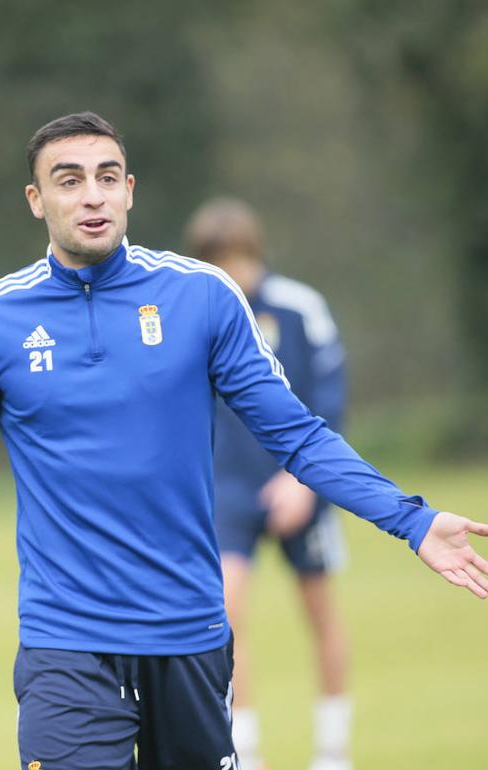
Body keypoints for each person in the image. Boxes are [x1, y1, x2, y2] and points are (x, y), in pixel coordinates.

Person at [0, 112, 488, 770]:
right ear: (37, 200)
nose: (91, 195)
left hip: (187, 635)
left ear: (129, 192)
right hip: (66, 641)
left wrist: (411, 520)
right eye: (69, 179)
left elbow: (300, 438)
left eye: (107, 177)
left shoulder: (203, 297)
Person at [187, 198, 354, 770]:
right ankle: (246, 751)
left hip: (300, 485)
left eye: (236, 259)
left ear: (254, 253)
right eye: (215, 261)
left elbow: (330, 399)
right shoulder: (197, 313)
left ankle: (332, 750)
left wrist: (302, 481)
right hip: (227, 490)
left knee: (322, 616)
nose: (230, 272)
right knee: (226, 618)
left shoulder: (300, 308)